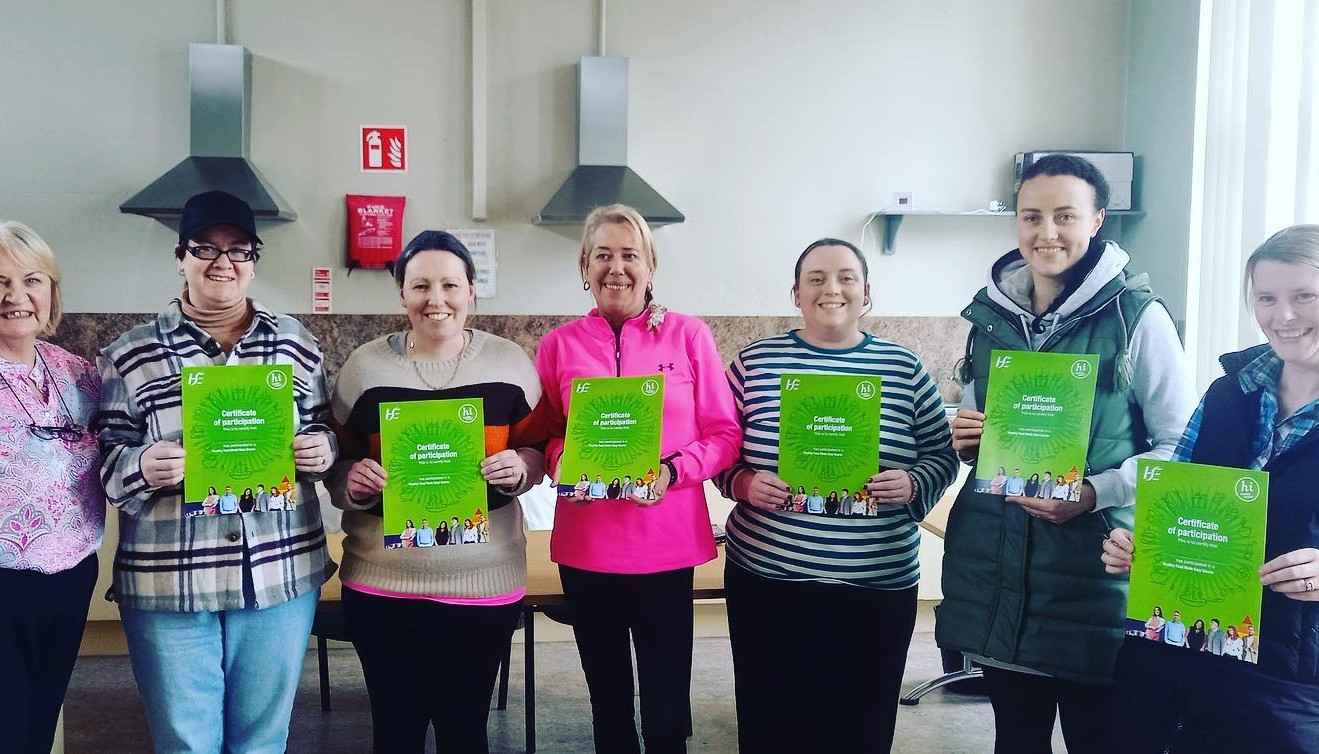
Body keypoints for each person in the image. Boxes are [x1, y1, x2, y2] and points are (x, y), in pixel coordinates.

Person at [939, 155, 1196, 753]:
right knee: (1016, 740)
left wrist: (1094, 493)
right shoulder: (991, 318)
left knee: (1097, 738)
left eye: (1064, 216)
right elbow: (984, 427)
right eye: (1031, 216)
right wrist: (971, 436)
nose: (1045, 232)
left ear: (1097, 220)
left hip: (1093, 577)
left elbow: (1180, 446)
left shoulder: (1138, 318)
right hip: (1000, 572)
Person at [96, 190, 336, 753]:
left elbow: (326, 428)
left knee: (262, 740)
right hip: (170, 580)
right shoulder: (130, 354)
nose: (223, 262)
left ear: (254, 261)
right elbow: (105, 459)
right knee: (185, 741)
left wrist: (321, 450)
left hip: (278, 572)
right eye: (206, 247)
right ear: (181, 257)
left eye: (239, 250)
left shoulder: (296, 344)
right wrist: (141, 466)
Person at [715, 237, 958, 753]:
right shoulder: (753, 365)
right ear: (796, 295)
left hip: (875, 586)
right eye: (817, 278)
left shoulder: (903, 368)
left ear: (866, 292)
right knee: (770, 721)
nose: (832, 289)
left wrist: (914, 483)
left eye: (847, 277)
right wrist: (743, 483)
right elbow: (719, 450)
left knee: (860, 726)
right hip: (768, 580)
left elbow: (944, 455)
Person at [1101, 225, 1319, 751]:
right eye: (1267, 298)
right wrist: (1143, 544)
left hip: (1289, 679)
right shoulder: (1228, 392)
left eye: (1305, 296)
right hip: (1177, 652)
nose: (1283, 316)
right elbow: (1175, 501)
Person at [328, 229, 547, 753]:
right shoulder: (364, 369)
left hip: (483, 584)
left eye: (450, 284)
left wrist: (520, 467)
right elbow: (335, 461)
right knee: (395, 733)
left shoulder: (512, 365)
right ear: (402, 292)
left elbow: (539, 451)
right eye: (420, 285)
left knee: (464, 731)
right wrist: (350, 482)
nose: (436, 299)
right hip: (384, 584)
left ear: (472, 289)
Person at [535, 204, 740, 753]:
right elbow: (547, 436)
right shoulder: (559, 346)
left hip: (666, 547)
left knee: (668, 702)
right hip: (587, 548)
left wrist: (672, 471)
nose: (616, 268)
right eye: (603, 255)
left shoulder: (689, 336)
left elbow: (725, 435)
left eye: (630, 255)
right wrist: (565, 464)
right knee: (607, 703)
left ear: (651, 265)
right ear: (584, 265)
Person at [0, 221, 103, 754]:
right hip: (3, 581)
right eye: (0, 281)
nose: (16, 296)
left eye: (31, 280)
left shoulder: (78, 373)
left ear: (51, 292)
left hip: (70, 576)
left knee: (39, 722)